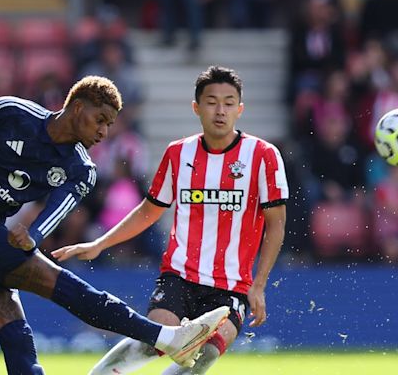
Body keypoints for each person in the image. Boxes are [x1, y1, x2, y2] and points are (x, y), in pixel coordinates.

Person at [0, 75, 230, 374]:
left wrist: (33, 235)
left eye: (109, 125)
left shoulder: (81, 169)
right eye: (100, 120)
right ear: (78, 107)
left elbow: (57, 210)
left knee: (18, 339)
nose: (103, 132)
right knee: (57, 281)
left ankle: (167, 339)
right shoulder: (10, 112)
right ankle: (166, 338)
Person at [53, 66, 289, 374]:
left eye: (229, 102)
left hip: (232, 286)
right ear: (196, 107)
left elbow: (276, 224)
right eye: (212, 101)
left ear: (240, 109)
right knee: (154, 338)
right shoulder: (179, 153)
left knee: (204, 355)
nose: (220, 110)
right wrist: (100, 244)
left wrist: (259, 285)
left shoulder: (263, 155)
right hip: (179, 276)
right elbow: (149, 211)